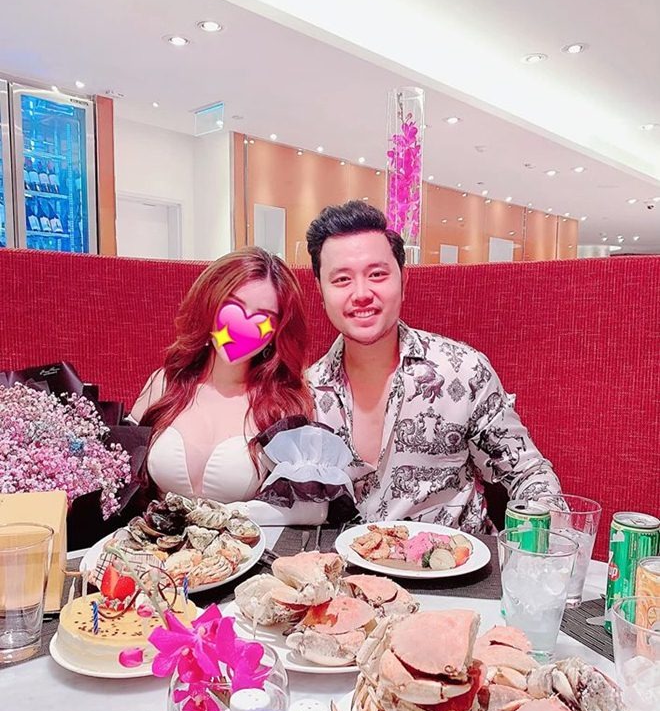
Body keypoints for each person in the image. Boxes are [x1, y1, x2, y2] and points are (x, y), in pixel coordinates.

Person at [305, 201, 562, 532]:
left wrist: (537, 547)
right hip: (344, 563)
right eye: (341, 279)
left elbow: (529, 473)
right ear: (321, 291)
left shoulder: (464, 371)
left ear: (404, 280)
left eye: (377, 274)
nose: (362, 293)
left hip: (456, 560)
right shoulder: (306, 393)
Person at [130, 247, 333, 525]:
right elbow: (120, 477)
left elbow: (313, 510)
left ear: (276, 332)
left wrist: (229, 514)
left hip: (244, 549)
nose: (243, 325)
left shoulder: (284, 405)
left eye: (264, 316)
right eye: (233, 305)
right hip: (154, 548)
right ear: (209, 303)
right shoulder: (164, 384)